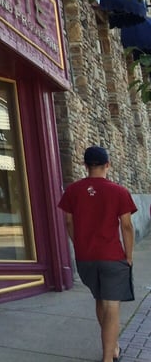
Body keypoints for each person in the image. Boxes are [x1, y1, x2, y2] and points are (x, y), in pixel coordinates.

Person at [58, 145, 137, 362]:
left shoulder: (73, 191)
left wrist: (79, 244)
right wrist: (129, 256)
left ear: (85, 165)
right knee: (112, 306)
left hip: (86, 258)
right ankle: (108, 358)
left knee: (100, 299)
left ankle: (113, 347)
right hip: (112, 256)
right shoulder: (119, 191)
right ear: (107, 165)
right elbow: (126, 226)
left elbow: (68, 221)